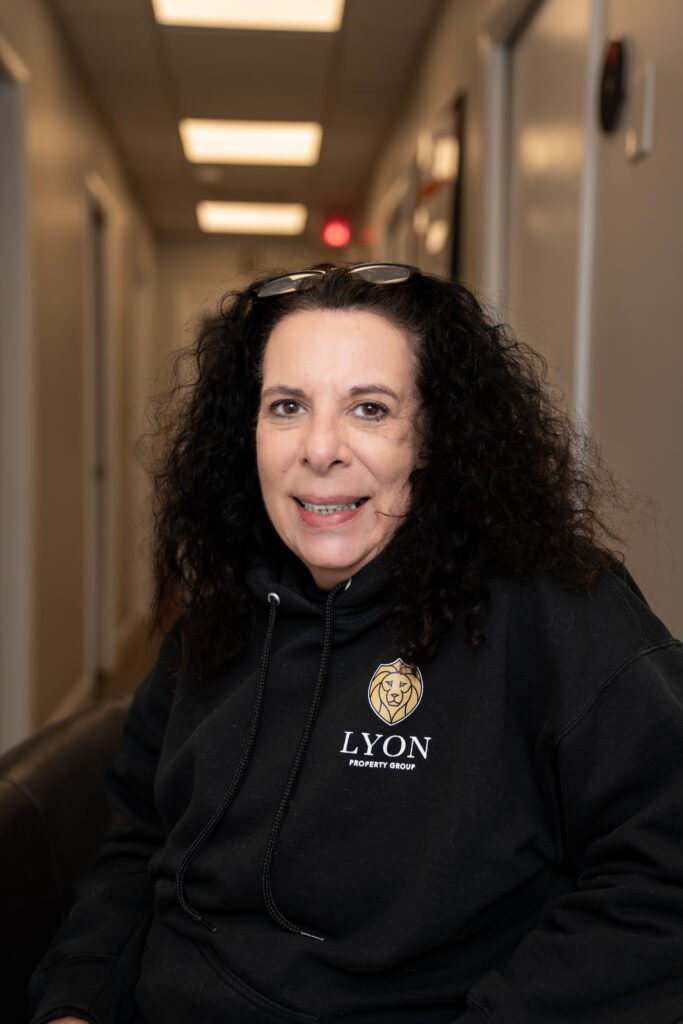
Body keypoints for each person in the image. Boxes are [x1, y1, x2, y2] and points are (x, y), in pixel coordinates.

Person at [30, 263, 683, 1024]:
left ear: (435, 435)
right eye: (286, 407)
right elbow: (134, 845)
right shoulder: (215, 622)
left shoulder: (552, 612)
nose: (319, 449)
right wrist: (74, 1002)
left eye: (369, 409)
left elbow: (661, 875)